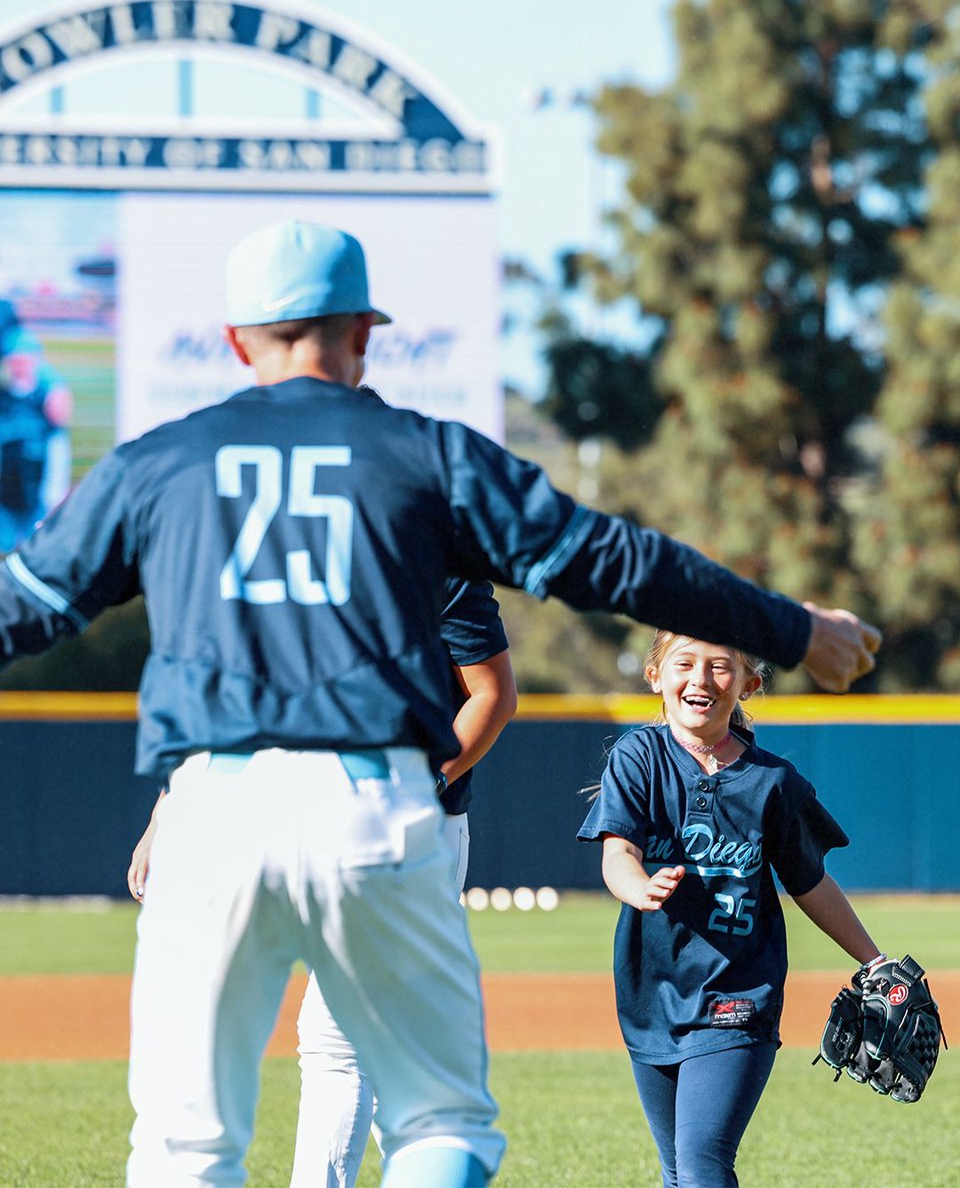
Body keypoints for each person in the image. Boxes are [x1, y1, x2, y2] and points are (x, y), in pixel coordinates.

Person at [0, 219, 880, 1188]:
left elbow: (22, 610)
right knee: (438, 1122)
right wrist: (789, 629)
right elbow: (616, 562)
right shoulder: (424, 457)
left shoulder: (154, 466)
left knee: (185, 1146)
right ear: (364, 334)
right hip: (374, 806)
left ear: (235, 341)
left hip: (208, 811)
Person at [126, 574, 517, 1188]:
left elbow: (491, 694)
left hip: (396, 823)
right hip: (268, 804)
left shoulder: (431, 550)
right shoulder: (266, 549)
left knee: (343, 1041)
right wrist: (167, 810)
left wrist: (418, 788)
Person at [577, 630, 884, 1188]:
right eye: (685, 663)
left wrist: (873, 960)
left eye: (720, 666)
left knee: (701, 1164)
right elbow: (617, 851)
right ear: (655, 676)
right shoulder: (638, 757)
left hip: (740, 992)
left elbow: (810, 882)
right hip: (652, 991)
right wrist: (636, 885)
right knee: (676, 1171)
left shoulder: (774, 782)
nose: (701, 678)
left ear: (749, 683)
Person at [0, 329, 72, 551]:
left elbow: (59, 416)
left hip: (36, 482)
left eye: (25, 359)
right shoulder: (5, 396)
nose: (20, 365)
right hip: (6, 485)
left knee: (36, 542)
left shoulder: (46, 391)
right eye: (15, 359)